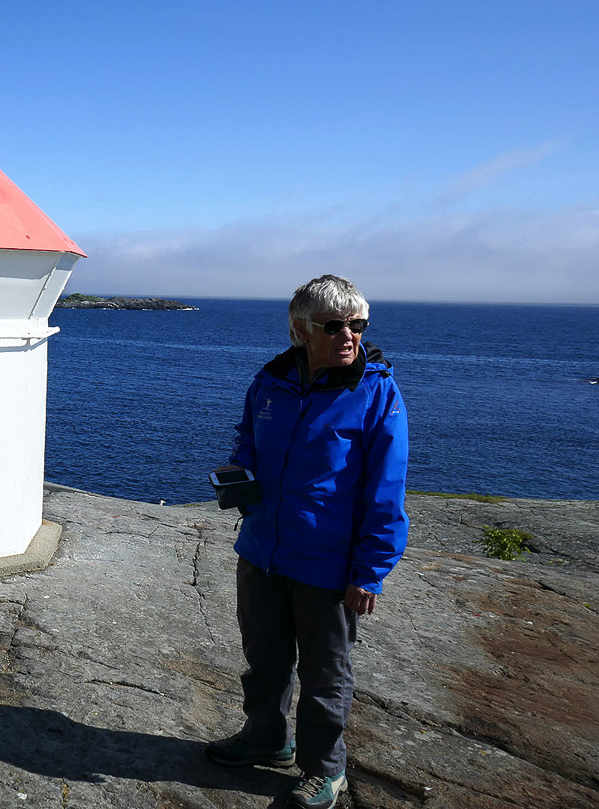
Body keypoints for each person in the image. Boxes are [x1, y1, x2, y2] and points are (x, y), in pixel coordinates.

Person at [206, 274, 409, 809]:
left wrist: (370, 571)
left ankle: (324, 769)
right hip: (262, 552)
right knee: (265, 659)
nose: (350, 336)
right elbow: (248, 435)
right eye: (335, 326)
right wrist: (241, 468)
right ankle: (266, 740)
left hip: (327, 565)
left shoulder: (376, 391)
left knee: (326, 674)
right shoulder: (270, 380)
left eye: (358, 325)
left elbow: (386, 488)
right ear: (301, 330)